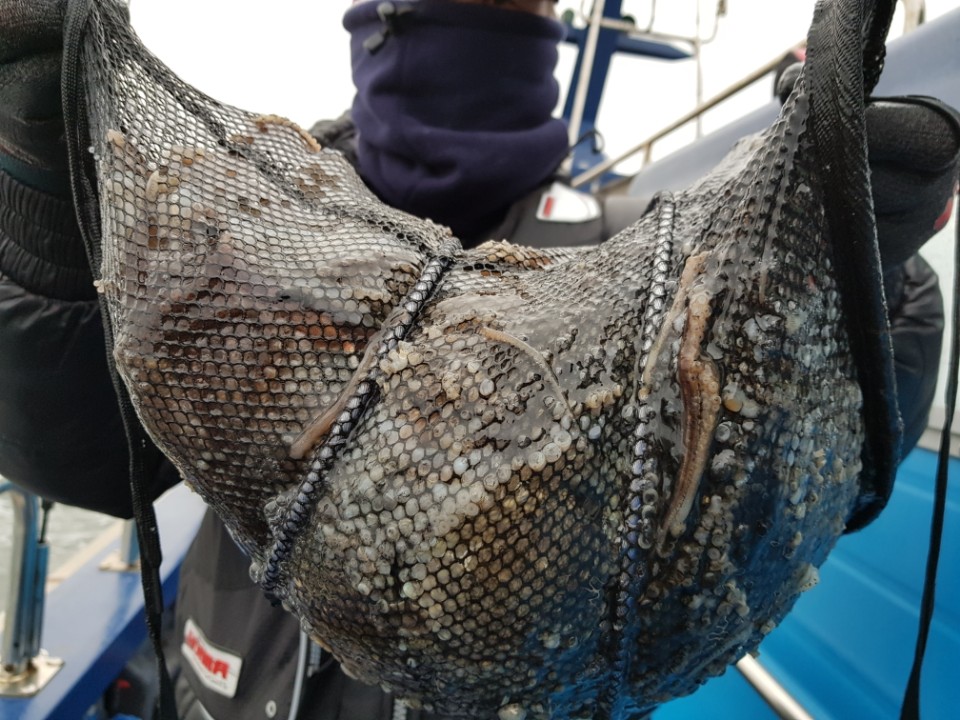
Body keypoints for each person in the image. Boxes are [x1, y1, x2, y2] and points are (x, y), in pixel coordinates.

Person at [0, 0, 956, 718]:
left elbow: (787, 487)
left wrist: (847, 293)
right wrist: (47, 241)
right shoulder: (245, 236)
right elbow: (90, 455)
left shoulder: (643, 257)